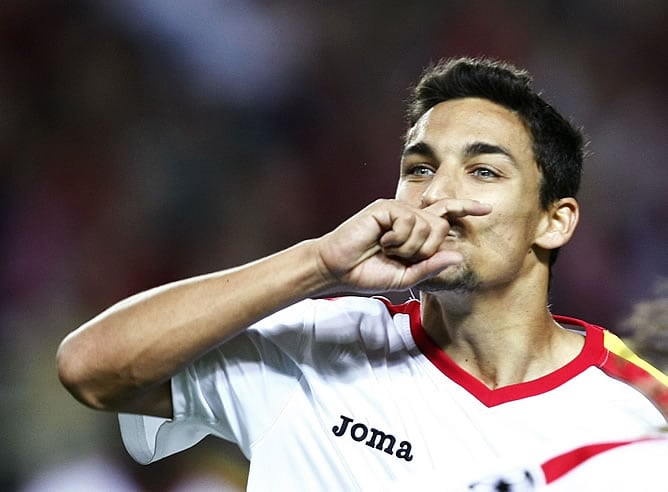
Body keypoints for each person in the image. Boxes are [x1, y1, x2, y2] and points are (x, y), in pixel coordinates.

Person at [57, 57, 668, 491]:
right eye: (419, 168)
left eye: (484, 171)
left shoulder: (642, 410)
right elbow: (90, 368)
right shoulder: (310, 346)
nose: (439, 194)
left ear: (554, 222)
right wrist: (318, 264)